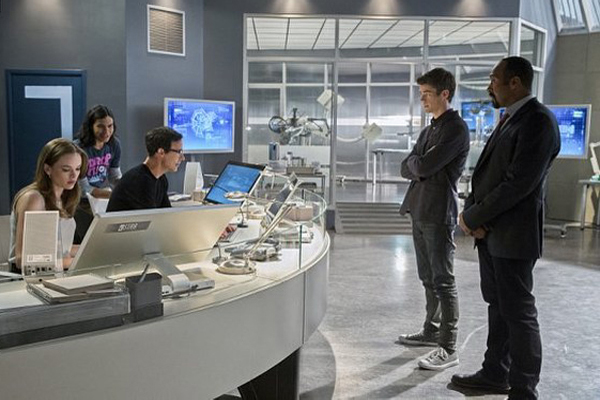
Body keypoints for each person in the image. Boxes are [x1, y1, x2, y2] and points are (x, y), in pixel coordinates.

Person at [452, 56, 560, 399]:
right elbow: (487, 175)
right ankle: (495, 373)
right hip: (492, 234)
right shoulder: (510, 119)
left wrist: (475, 218)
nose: (490, 86)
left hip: (513, 236)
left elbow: (518, 184)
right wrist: (473, 213)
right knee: (498, 307)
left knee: (518, 311)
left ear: (515, 83)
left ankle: (524, 388)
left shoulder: (538, 122)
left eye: (494, 80)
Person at [398, 68, 470, 370]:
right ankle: (432, 330)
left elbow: (423, 166)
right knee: (427, 277)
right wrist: (420, 165)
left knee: (443, 280)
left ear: (445, 94)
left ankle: (448, 346)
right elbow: (406, 166)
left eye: (427, 93)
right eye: (421, 94)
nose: (423, 99)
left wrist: (419, 165)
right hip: (419, 210)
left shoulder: (456, 129)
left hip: (439, 213)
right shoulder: (429, 130)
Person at [8, 138, 88, 272]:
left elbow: (61, 249)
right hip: (28, 279)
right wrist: (78, 261)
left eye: (78, 169)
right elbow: (23, 259)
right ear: (47, 169)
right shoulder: (34, 198)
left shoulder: (63, 198)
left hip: (56, 274)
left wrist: (93, 249)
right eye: (66, 169)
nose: (74, 175)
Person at [74, 105, 122, 242]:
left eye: (110, 126)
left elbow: (115, 176)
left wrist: (125, 188)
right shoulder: (78, 148)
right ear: (91, 127)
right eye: (100, 126)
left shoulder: (114, 145)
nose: (106, 131)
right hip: (78, 202)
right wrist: (114, 195)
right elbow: (84, 190)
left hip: (98, 200)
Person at [106, 126, 184, 212]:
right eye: (178, 152)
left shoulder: (161, 179)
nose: (182, 158)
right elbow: (151, 218)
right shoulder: (139, 181)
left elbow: (166, 214)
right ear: (161, 152)